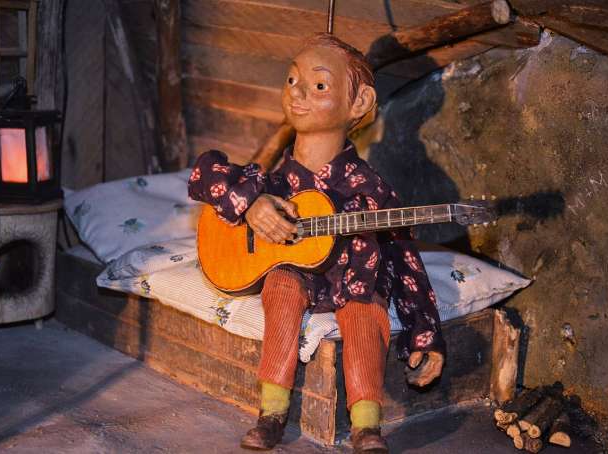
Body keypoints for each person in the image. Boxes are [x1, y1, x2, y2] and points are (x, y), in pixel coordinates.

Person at [188, 33, 445, 453]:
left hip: (352, 283)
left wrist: (424, 332)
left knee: (365, 309)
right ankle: (271, 413)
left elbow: (406, 263)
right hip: (294, 275)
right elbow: (204, 173)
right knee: (281, 286)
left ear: (359, 103)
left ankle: (366, 425)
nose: (298, 92)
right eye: (292, 80)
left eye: (319, 85)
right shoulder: (274, 182)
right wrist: (250, 204)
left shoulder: (370, 190)